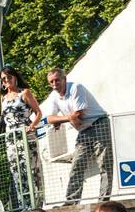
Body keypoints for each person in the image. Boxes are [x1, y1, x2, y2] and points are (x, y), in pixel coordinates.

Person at [41, 66, 111, 202]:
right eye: (51, 82)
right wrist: (68, 118)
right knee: (77, 165)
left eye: (57, 80)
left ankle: (104, 201)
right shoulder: (54, 96)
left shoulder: (76, 88)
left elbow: (79, 113)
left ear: (64, 79)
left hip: (99, 124)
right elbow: (50, 119)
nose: (54, 84)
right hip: (84, 131)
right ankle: (71, 201)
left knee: (104, 164)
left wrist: (62, 119)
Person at [0, 67, 43, 212]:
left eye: (8, 77)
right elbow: (2, 120)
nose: (6, 80)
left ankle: (36, 205)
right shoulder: (3, 98)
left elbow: (38, 112)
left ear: (15, 77)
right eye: (3, 79)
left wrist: (31, 125)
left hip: (25, 135)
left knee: (31, 169)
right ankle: (24, 206)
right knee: (16, 171)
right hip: (10, 139)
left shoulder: (24, 93)